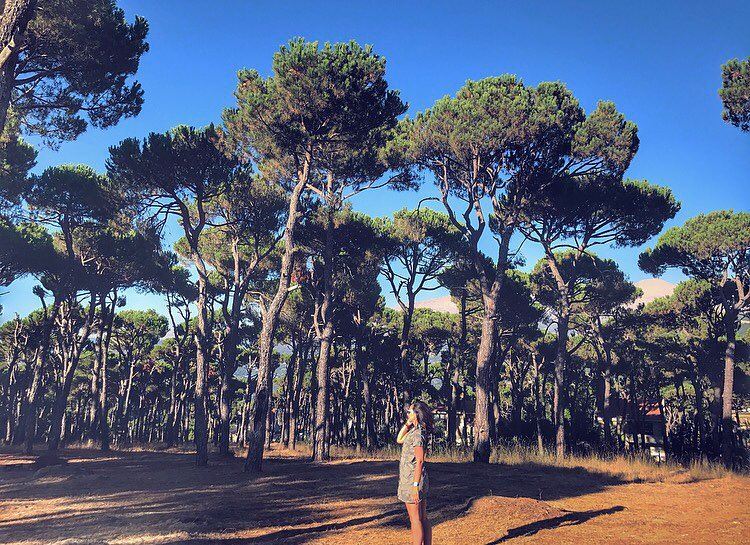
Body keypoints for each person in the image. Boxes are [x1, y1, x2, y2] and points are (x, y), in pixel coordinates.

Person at [396, 400, 433, 545]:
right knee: (422, 518)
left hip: (413, 480)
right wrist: (408, 423)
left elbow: (420, 461)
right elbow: (399, 439)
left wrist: (415, 486)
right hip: (413, 479)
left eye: (410, 412)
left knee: (415, 519)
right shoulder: (416, 430)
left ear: (417, 414)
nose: (407, 414)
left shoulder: (418, 434)